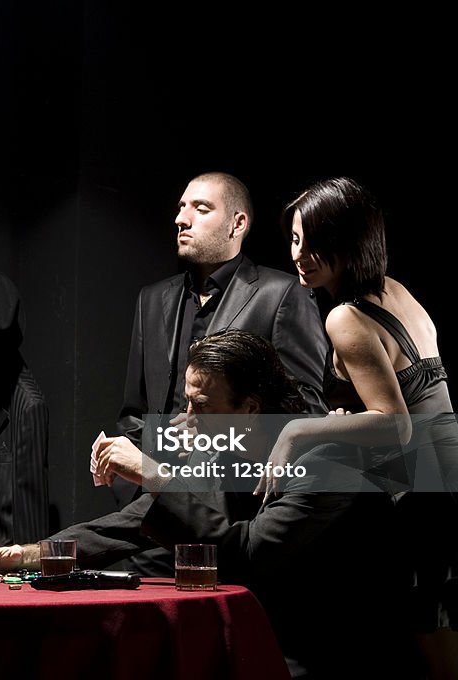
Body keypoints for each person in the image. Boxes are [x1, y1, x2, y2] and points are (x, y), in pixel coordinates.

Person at [0, 328, 417, 678]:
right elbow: (130, 522)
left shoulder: (325, 461)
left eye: (201, 405)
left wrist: (153, 472)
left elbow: (248, 554)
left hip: (331, 658)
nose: (186, 419)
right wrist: (25, 555)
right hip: (260, 643)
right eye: (186, 401)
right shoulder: (221, 447)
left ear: (250, 408)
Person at [271, 177, 458, 680]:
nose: (300, 254)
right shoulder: (398, 293)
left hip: (434, 507)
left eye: (316, 241)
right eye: (295, 239)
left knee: (455, 669)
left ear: (351, 240)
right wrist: (346, 423)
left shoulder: (344, 316)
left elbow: (396, 426)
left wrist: (298, 431)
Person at [112, 171, 330, 575]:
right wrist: (141, 492)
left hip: (233, 517)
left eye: (201, 208)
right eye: (180, 208)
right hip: (155, 517)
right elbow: (133, 415)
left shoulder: (282, 294)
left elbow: (305, 413)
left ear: (238, 223)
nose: (182, 218)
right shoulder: (152, 299)